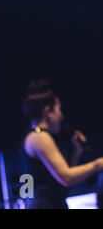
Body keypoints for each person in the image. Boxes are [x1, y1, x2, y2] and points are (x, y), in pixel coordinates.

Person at [21, 79, 103, 208]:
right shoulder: (39, 137)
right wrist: (98, 164)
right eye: (59, 109)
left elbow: (63, 179)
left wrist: (76, 153)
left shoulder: (34, 136)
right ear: (48, 111)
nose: (61, 116)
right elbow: (66, 178)